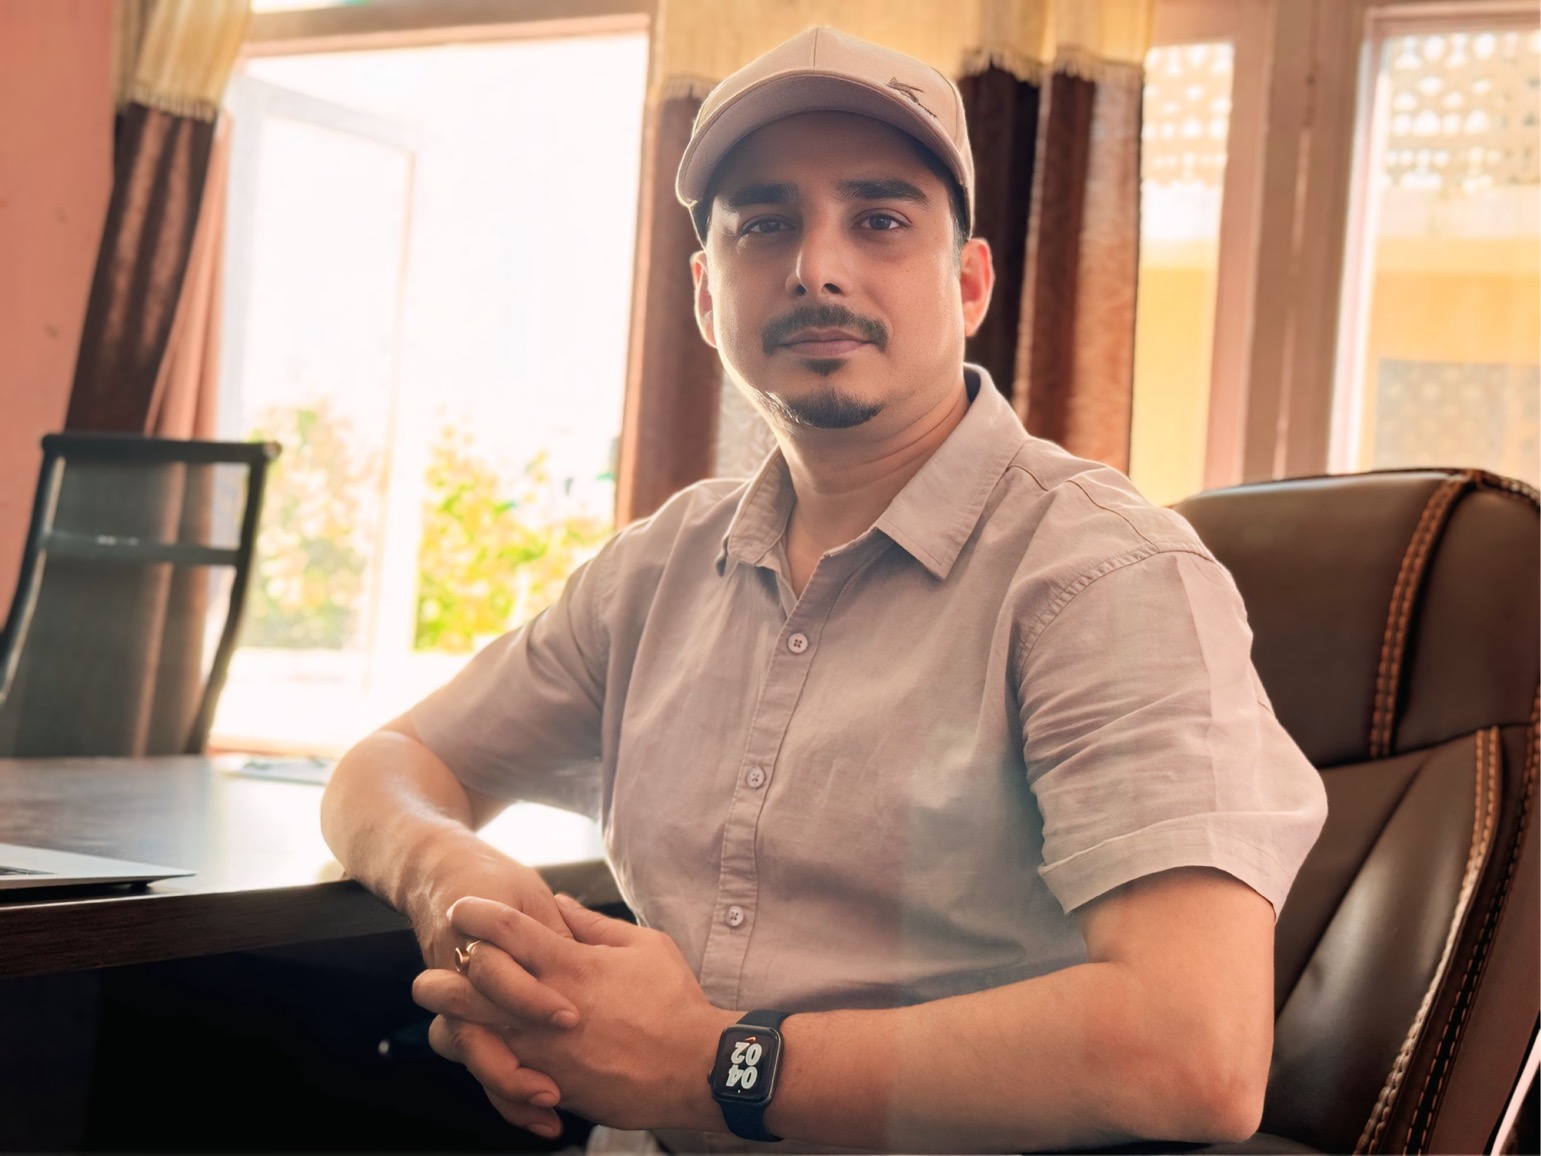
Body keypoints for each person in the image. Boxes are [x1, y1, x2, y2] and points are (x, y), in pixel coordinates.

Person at [321, 25, 1328, 1155]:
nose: (816, 268)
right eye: (763, 224)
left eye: (879, 219)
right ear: (707, 298)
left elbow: (1192, 1052)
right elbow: (387, 767)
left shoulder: (1103, 574)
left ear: (968, 282)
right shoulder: (654, 569)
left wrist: (709, 1063)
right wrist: (456, 888)